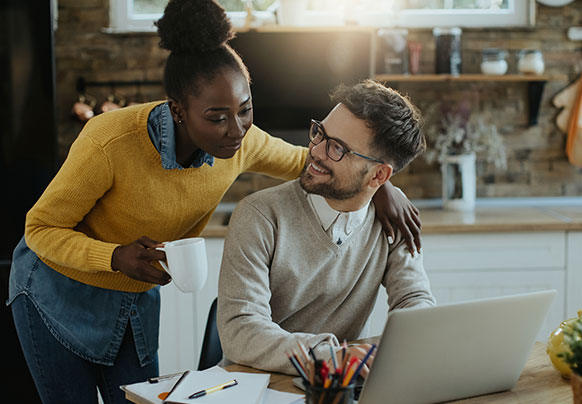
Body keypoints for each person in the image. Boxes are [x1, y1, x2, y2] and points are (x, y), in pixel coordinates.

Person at [7, 1, 420, 403]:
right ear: (178, 111)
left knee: (140, 399)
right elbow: (39, 229)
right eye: (217, 117)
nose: (236, 130)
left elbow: (313, 163)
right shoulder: (108, 141)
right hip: (54, 293)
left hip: (131, 295)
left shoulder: (242, 142)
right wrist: (114, 257)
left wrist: (383, 185)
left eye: (245, 110)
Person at [217, 79, 436, 377]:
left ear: (378, 176)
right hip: (260, 388)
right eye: (320, 133)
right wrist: (333, 358)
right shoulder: (260, 215)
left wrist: (410, 342)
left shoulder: (394, 222)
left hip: (341, 386)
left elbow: (414, 299)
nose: (316, 151)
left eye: (338, 149)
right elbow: (240, 331)